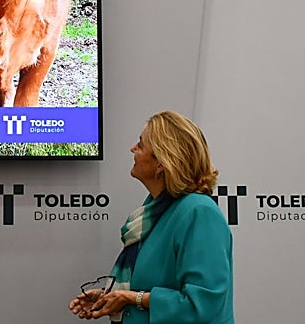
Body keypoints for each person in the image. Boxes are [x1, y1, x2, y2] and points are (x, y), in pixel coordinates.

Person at [68, 111, 234, 323]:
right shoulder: (156, 209)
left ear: (161, 164)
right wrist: (113, 296)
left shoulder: (199, 213)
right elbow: (147, 288)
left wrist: (132, 298)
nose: (133, 149)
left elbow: (203, 305)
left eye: (141, 145)